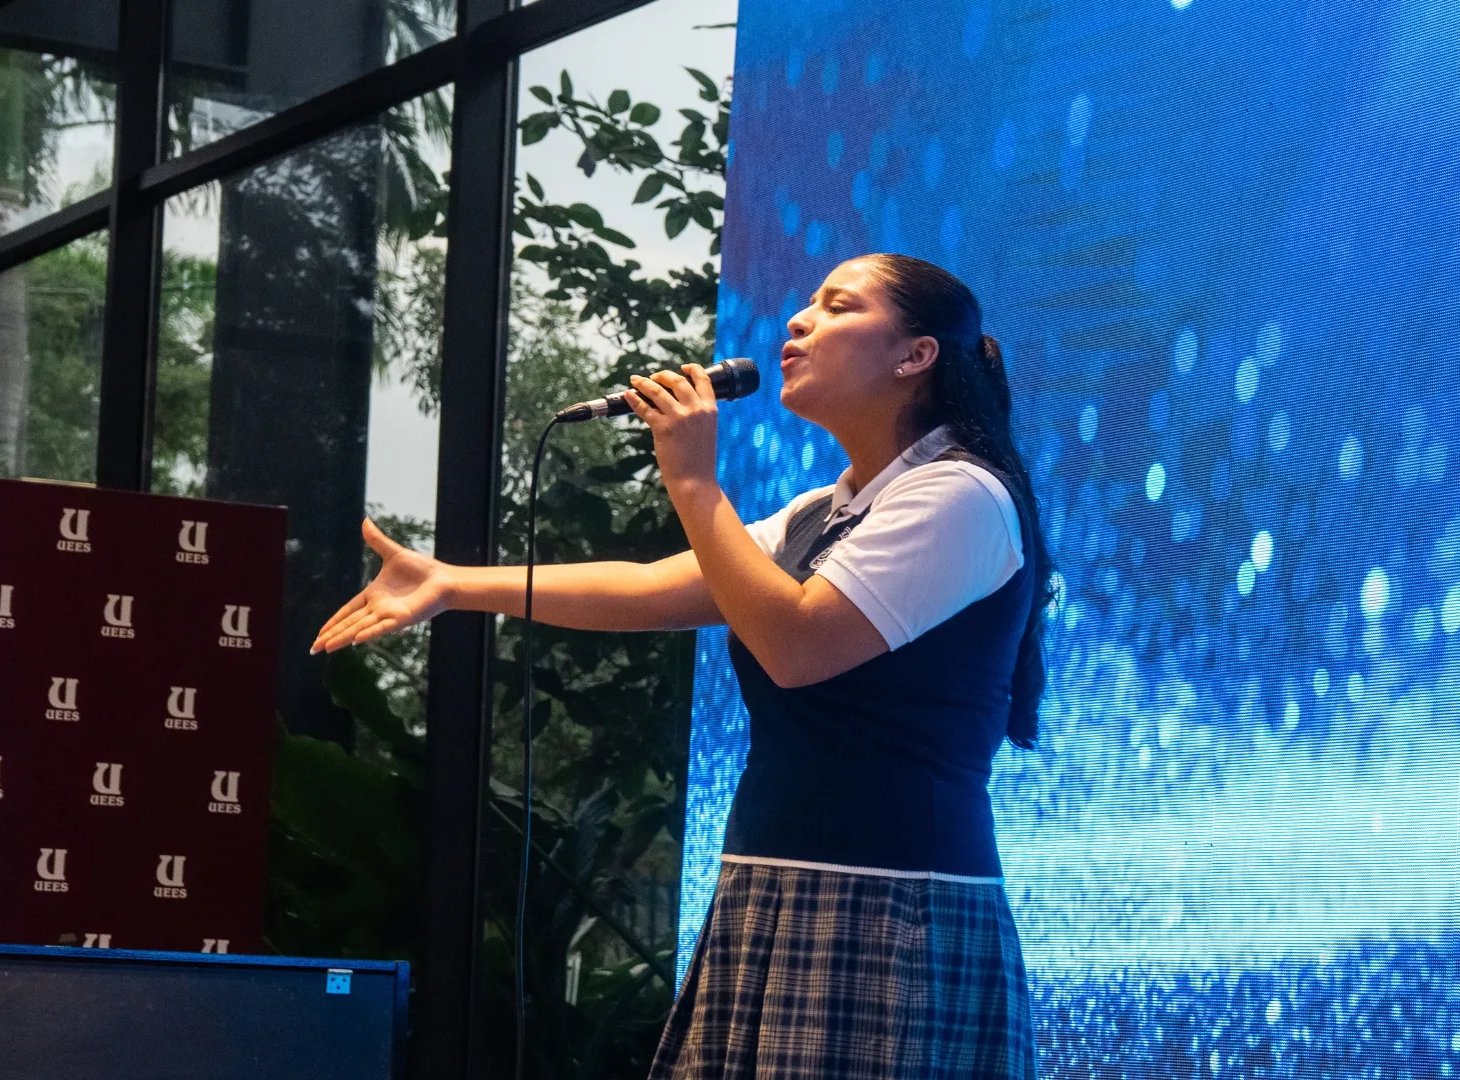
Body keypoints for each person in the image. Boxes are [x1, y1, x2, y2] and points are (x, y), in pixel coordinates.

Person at [313, 253, 1051, 1079]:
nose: (798, 322)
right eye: (806, 302)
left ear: (915, 356)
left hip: (886, 906)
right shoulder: (829, 510)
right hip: (771, 883)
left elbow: (801, 647)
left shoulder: (961, 494)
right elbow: (649, 590)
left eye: (836, 307)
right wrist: (453, 584)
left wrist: (696, 483)